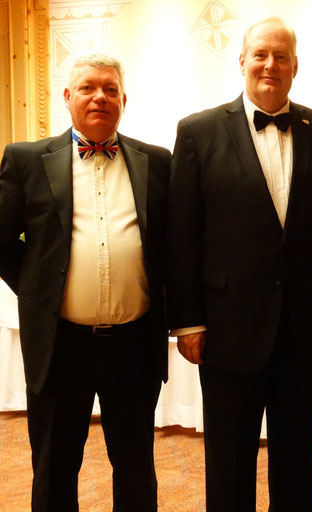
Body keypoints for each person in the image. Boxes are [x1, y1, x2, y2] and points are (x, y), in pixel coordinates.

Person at [166, 17, 312, 512]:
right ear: (242, 61)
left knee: (295, 459)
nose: (271, 65)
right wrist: (187, 319)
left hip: (301, 327)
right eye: (260, 55)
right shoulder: (198, 131)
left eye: (281, 56)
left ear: (295, 66)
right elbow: (182, 234)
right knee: (228, 459)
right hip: (227, 329)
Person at [0, 54, 170, 511]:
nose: (100, 96)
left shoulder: (157, 162)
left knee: (136, 466)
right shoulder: (26, 160)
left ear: (124, 99)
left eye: (110, 89)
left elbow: (172, 246)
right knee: (54, 467)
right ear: (68, 97)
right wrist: (40, 292)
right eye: (89, 87)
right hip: (60, 345)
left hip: (133, 343)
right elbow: (1, 241)